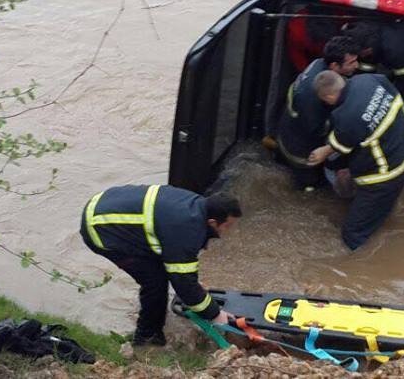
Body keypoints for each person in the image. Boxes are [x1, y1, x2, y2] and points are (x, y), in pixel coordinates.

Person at [79, 185, 241, 346]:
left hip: (104, 204)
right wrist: (214, 314)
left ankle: (152, 328)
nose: (229, 231)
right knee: (155, 282)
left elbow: (181, 266)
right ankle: (147, 339)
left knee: (167, 271)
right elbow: (184, 284)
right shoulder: (187, 231)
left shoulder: (197, 205)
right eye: (228, 226)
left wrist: (191, 284)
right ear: (212, 222)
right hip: (101, 230)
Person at [308, 71, 404, 250]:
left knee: (352, 233)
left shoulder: (346, 116)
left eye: (325, 100)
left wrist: (322, 152)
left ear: (329, 96)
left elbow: (340, 147)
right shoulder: (371, 79)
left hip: (385, 177)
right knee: (380, 211)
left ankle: (366, 271)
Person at [276, 36, 361, 189]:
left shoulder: (319, 64)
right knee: (310, 186)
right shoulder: (311, 97)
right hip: (301, 151)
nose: (357, 65)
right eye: (352, 62)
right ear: (335, 66)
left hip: (290, 130)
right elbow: (317, 130)